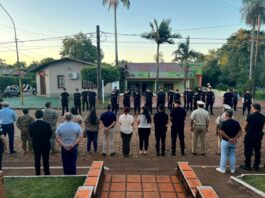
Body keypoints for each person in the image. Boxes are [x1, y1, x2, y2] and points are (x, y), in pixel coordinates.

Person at [240, 103, 265, 171]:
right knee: (257, 151)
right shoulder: (263, 116)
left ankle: (248, 165)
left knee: (248, 150)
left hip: (250, 135)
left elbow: (245, 126)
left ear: (254, 108)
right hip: (258, 135)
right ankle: (256, 166)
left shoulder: (250, 116)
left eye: (252, 107)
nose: (251, 108)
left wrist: (247, 131)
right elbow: (262, 126)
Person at [29, 110, 52, 175]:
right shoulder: (47, 125)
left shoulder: (31, 125)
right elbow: (50, 135)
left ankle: (37, 173)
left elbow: (31, 135)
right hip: (45, 144)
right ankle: (47, 173)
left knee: (37, 160)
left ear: (35, 116)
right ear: (42, 115)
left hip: (36, 144)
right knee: (46, 160)